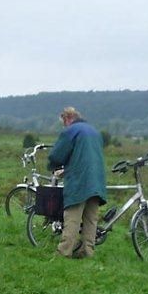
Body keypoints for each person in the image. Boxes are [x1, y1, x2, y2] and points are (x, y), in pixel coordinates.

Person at [47, 107, 107, 258]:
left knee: (72, 218)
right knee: (91, 219)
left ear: (67, 119)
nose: (64, 126)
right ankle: (87, 252)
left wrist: (53, 166)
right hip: (97, 180)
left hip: (80, 181)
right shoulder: (94, 131)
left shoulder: (71, 131)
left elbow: (57, 154)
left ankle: (64, 252)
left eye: (63, 123)